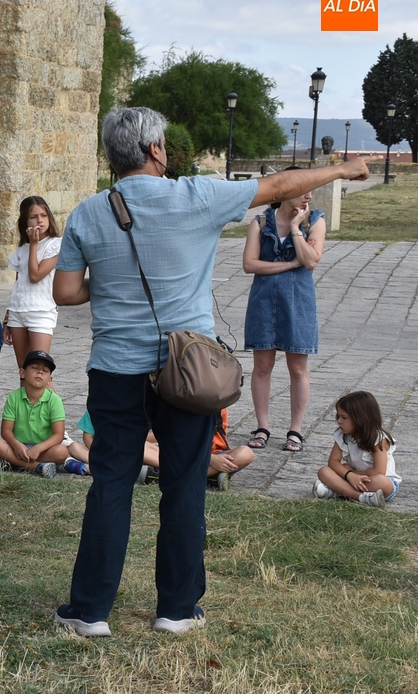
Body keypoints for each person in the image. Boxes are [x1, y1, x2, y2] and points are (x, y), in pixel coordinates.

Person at [51, 106, 369, 638]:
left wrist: (111, 285)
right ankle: (176, 609)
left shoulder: (87, 212)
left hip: (115, 370)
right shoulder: (193, 195)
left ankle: (89, 611)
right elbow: (281, 185)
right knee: (185, 483)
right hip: (190, 369)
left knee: (110, 483)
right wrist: (339, 170)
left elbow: (65, 292)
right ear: (154, 150)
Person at [242, 186, 325, 453]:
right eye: (302, 191)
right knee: (262, 366)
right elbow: (250, 264)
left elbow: (311, 260)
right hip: (263, 301)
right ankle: (262, 426)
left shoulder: (316, 220)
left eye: (311, 191)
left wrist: (297, 228)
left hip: (298, 301)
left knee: (298, 368)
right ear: (285, 190)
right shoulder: (261, 221)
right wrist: (289, 265)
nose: (308, 196)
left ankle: (295, 430)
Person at [0, 350, 67, 477]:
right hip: (18, 447)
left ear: (49, 380)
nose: (39, 372)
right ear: (22, 373)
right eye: (34, 367)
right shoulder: (14, 397)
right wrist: (16, 444)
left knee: (61, 452)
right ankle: (37, 467)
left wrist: (38, 448)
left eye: (45, 371)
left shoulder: (54, 400)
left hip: (42, 449)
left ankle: (12, 463)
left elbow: (58, 435)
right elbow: (6, 431)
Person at [313, 391, 400, 508]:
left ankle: (337, 491)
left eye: (344, 417)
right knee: (324, 471)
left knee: (381, 482)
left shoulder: (378, 439)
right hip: (351, 477)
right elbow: (333, 462)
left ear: (361, 419)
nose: (339, 420)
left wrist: (353, 475)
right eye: (338, 416)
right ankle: (361, 497)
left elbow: (379, 471)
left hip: (374, 480)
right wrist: (349, 475)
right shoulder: (342, 434)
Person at [3, 196, 61, 370]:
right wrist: (7, 318)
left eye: (43, 215)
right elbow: (18, 285)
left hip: (41, 312)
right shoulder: (21, 250)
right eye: (33, 216)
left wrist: (34, 245)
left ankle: (53, 400)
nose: (40, 220)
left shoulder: (55, 245)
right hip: (18, 312)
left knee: (39, 371)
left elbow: (35, 275)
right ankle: (23, 399)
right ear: (25, 221)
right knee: (24, 371)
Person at [141, 409, 254, 490]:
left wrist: (209, 457)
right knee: (140, 447)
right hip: (179, 454)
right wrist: (209, 459)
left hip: (215, 455)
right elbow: (167, 435)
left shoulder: (217, 400)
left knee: (246, 453)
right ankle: (209, 477)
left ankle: (164, 474)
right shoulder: (175, 399)